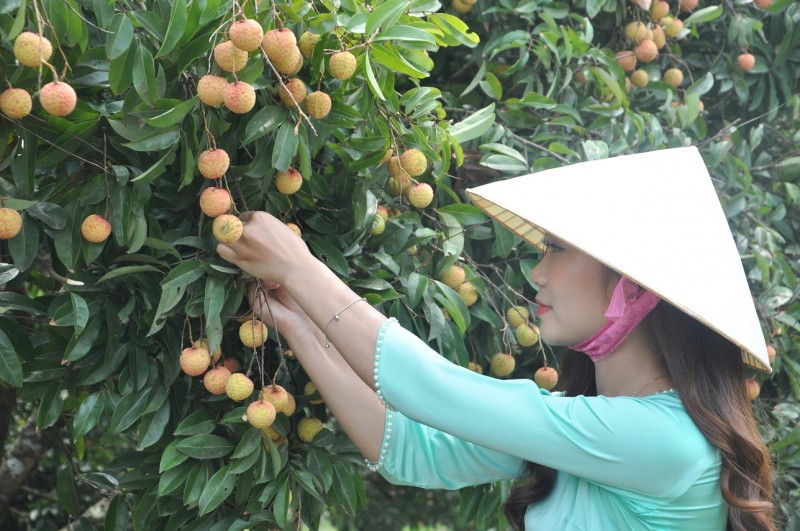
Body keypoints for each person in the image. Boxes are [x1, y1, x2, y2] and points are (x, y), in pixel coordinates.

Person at [216, 147, 775, 530]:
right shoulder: (585, 430)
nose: (537, 272)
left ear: (635, 286)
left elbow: (429, 389)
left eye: (555, 247)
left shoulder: (667, 442)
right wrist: (298, 325)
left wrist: (301, 269)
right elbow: (407, 447)